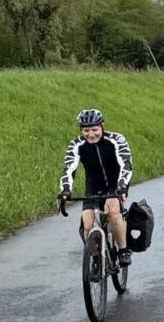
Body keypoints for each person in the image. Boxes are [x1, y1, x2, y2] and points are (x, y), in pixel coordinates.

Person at [57, 109, 134, 266]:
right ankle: (96, 259)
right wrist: (65, 191)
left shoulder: (116, 139)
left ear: (102, 126)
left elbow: (125, 163)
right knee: (87, 225)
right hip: (93, 185)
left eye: (94, 130)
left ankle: (123, 250)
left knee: (113, 213)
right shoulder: (76, 144)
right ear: (81, 130)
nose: (90, 134)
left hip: (115, 183)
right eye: (86, 130)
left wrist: (122, 187)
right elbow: (68, 169)